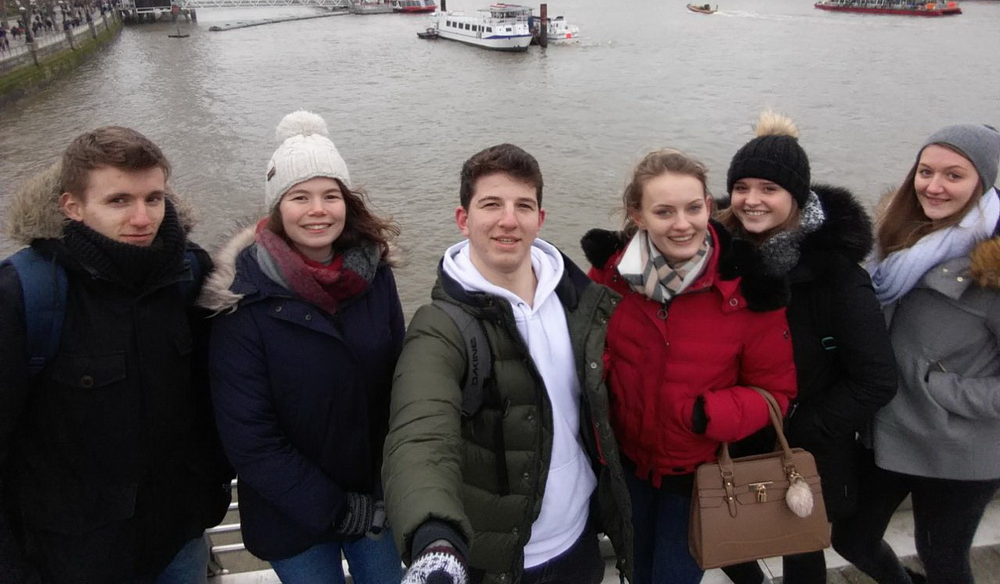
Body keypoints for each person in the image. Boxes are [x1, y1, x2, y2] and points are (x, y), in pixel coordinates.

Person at [382, 143, 633, 584]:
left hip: (579, 541)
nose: (509, 220)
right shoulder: (440, 327)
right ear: (463, 219)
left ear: (541, 218)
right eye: (491, 204)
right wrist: (434, 536)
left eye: (523, 206)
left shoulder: (578, 300)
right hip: (497, 559)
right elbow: (421, 433)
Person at [0, 126, 232, 584]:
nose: (142, 218)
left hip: (178, 536)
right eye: (119, 200)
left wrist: (208, 493)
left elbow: (212, 398)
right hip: (73, 553)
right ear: (72, 206)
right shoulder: (24, 296)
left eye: (154, 198)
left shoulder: (189, 273)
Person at [200, 111, 404, 584]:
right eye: (300, 197)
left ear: (347, 203)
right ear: (278, 207)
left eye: (330, 195)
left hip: (375, 500)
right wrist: (335, 509)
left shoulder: (376, 277)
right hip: (289, 515)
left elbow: (400, 380)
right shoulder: (241, 299)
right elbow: (249, 435)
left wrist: (389, 483)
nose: (318, 210)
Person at [580, 147, 796, 584]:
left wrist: (706, 415)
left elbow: (777, 393)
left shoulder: (746, 290)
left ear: (709, 206)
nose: (682, 224)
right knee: (636, 571)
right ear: (638, 215)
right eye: (664, 211)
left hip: (701, 476)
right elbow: (585, 350)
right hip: (627, 468)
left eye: (693, 208)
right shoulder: (608, 277)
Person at [716, 112, 897, 584]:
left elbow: (876, 379)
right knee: (727, 539)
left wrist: (799, 426)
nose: (751, 200)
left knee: (801, 550)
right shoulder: (716, 256)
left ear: (795, 197)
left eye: (769, 189)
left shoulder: (837, 277)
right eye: (741, 187)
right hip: (729, 433)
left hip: (806, 445)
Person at [832, 124, 1000, 584]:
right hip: (887, 429)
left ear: (982, 182)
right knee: (852, 538)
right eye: (925, 171)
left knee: (942, 557)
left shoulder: (992, 266)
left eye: (954, 175)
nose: (934, 186)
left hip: (959, 444)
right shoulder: (895, 239)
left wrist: (940, 390)